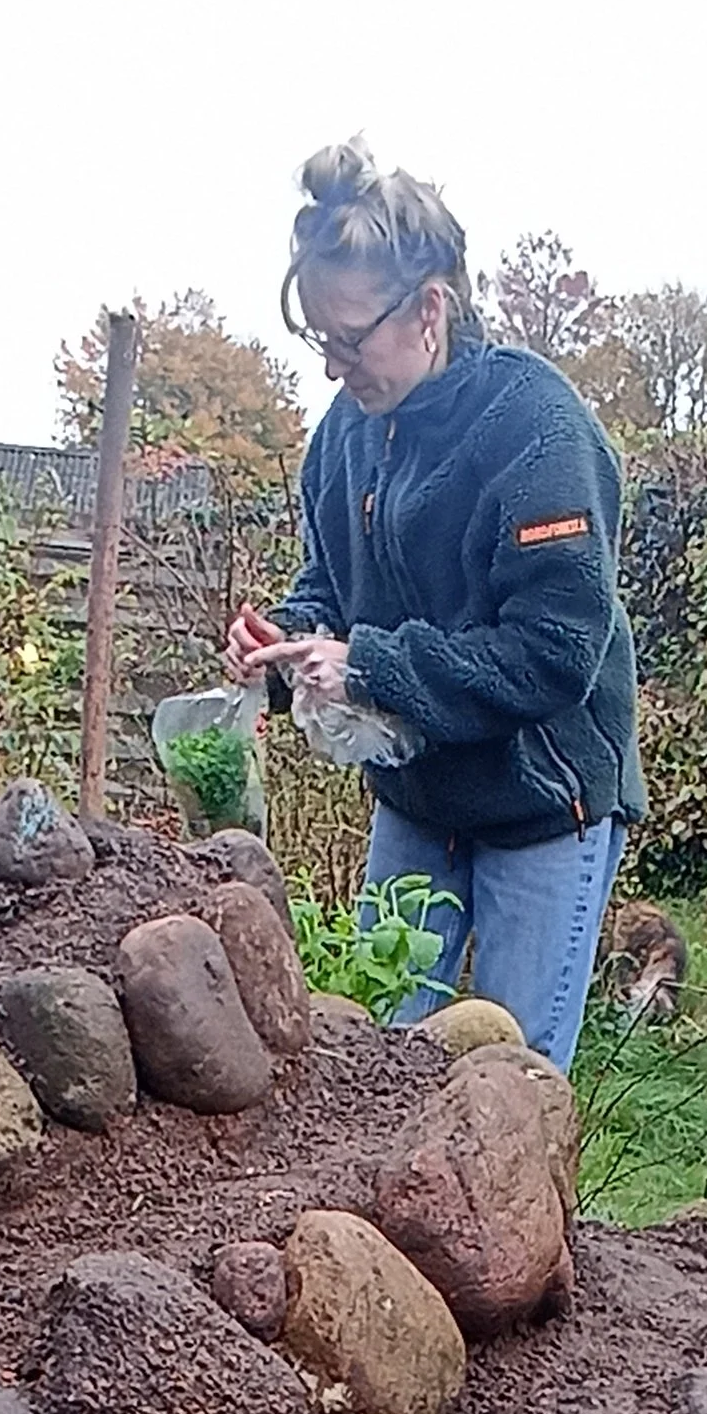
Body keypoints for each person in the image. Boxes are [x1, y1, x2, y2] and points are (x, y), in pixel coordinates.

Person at [225, 142, 646, 1074]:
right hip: (417, 794)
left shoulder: (537, 431)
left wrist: (371, 667)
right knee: (370, 1066)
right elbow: (333, 587)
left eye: (350, 339)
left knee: (509, 1086)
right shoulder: (342, 439)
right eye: (320, 342)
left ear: (429, 309)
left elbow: (553, 653)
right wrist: (288, 646)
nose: (334, 368)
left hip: (544, 799)